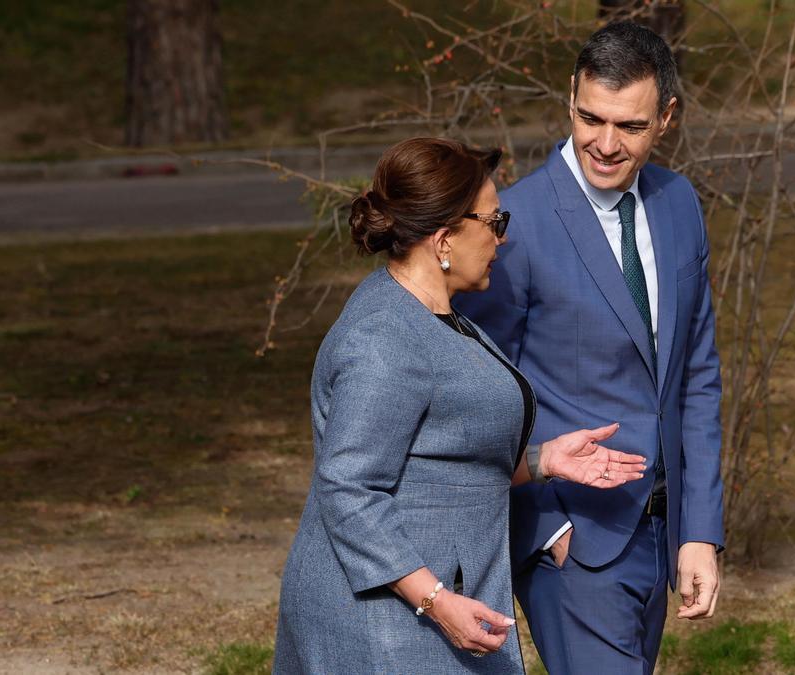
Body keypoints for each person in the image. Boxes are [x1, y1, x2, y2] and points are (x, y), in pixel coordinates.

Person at [271, 137, 647, 674]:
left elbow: (440, 455)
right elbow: (348, 487)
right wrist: (435, 601)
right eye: (494, 222)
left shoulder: (437, 316)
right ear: (445, 239)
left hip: (430, 606)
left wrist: (543, 461)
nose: (503, 236)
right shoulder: (384, 338)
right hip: (384, 622)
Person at [453, 20, 725, 674]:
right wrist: (547, 533)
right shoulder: (513, 228)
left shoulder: (678, 203)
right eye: (589, 118)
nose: (604, 144)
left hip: (661, 534)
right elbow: (476, 390)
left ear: (666, 117)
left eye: (628, 126)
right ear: (569, 98)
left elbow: (696, 375)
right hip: (573, 544)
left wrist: (699, 530)